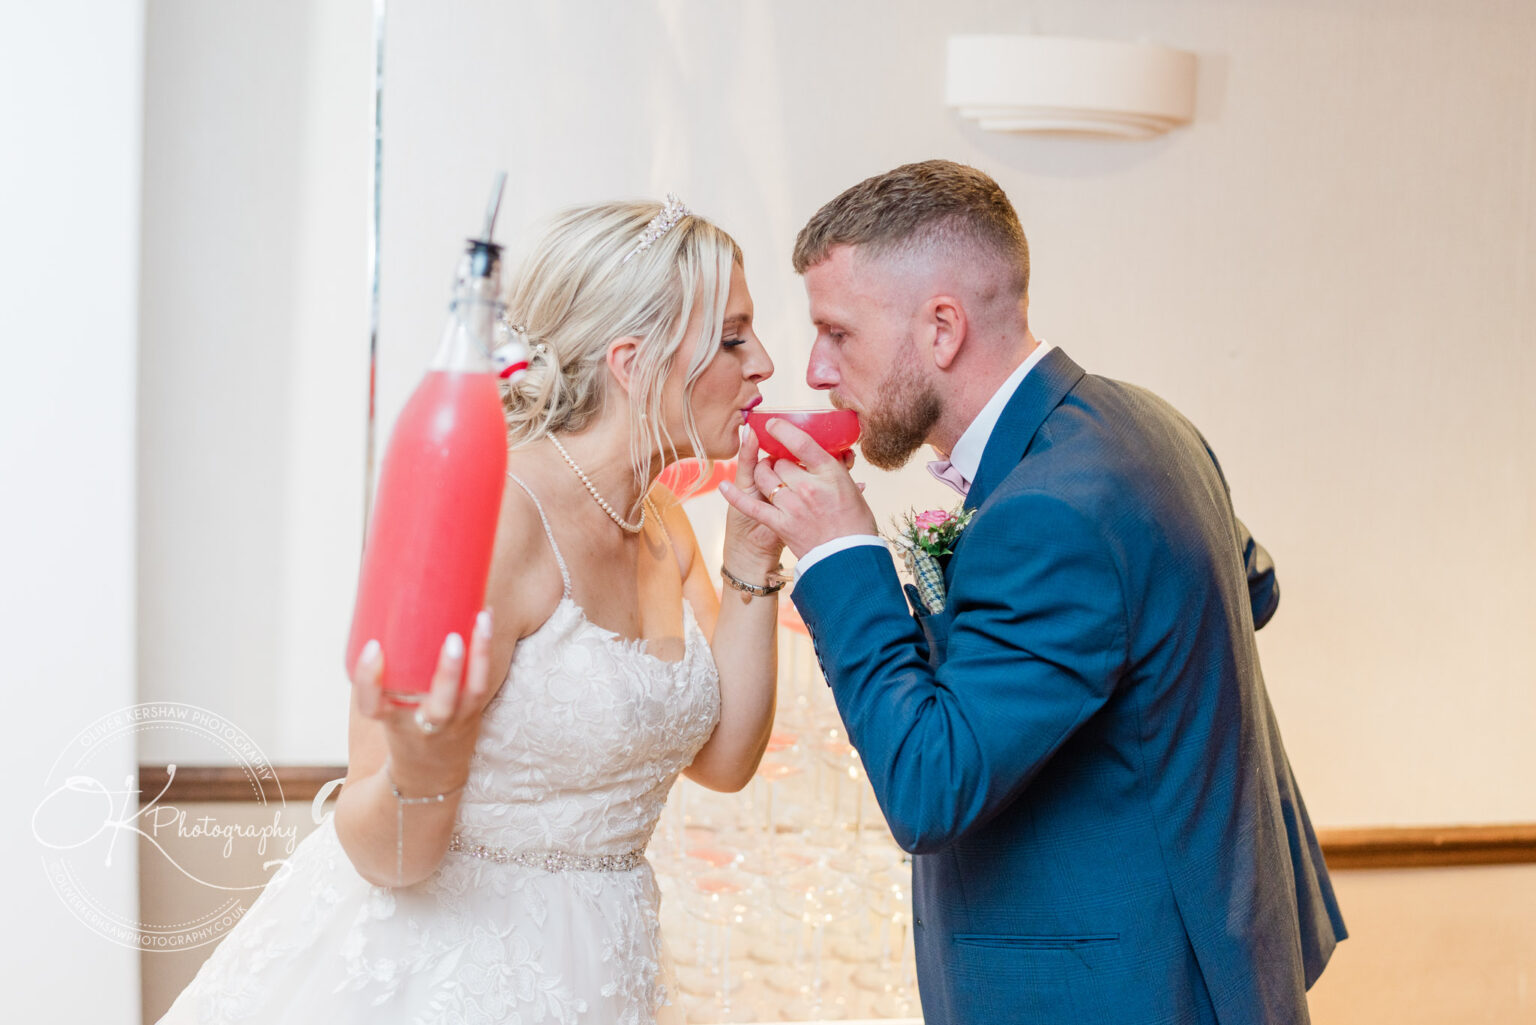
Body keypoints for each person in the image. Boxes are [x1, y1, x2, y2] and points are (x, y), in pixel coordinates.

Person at [721, 160, 1347, 1025]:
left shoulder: (1052, 508)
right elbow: (1252, 588)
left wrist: (841, 553)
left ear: (942, 328)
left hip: (1126, 994)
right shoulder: (1143, 423)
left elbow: (929, 786)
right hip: (1214, 959)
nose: (818, 370)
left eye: (837, 332)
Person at [158, 197, 785, 1024]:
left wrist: (752, 551)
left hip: (602, 970)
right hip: (444, 971)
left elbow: (726, 759)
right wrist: (426, 763)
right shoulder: (493, 515)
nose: (766, 363)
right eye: (734, 338)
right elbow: (386, 855)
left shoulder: (662, 522)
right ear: (634, 360)